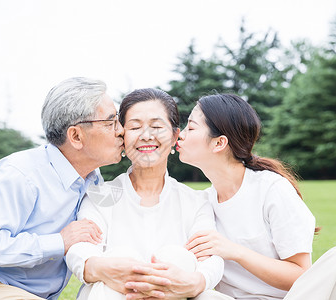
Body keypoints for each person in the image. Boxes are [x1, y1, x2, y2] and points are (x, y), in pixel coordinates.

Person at [0, 77, 124, 300]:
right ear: (76, 136)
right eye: (110, 123)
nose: (120, 130)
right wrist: (59, 241)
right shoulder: (21, 174)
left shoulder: (93, 178)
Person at [174, 93, 336, 299]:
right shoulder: (201, 203)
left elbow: (301, 274)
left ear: (219, 143)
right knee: (202, 296)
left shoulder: (272, 188)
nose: (181, 134)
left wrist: (235, 251)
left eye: (191, 127)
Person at [66, 88, 230, 300]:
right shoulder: (102, 195)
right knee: (119, 261)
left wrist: (195, 281)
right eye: (134, 127)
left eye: (156, 126)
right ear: (122, 136)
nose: (146, 136)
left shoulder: (195, 201)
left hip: (175, 295)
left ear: (174, 136)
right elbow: (81, 250)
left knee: (191, 273)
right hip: (116, 294)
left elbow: (210, 258)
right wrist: (112, 271)